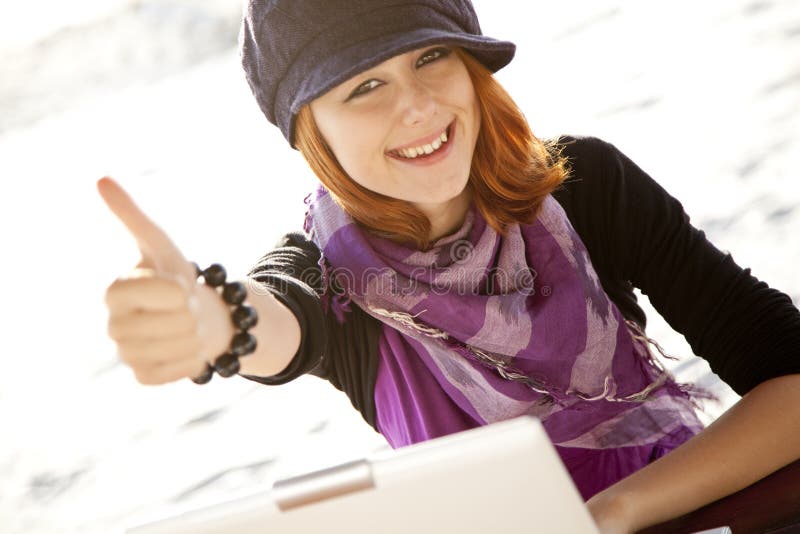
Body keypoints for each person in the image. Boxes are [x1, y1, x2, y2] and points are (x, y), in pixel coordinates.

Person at [98, 0, 800, 532]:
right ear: (313, 130)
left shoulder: (584, 187)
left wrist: (608, 515)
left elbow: (790, 379)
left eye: (429, 57)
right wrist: (211, 322)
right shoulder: (330, 278)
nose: (418, 106)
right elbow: (273, 317)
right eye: (362, 88)